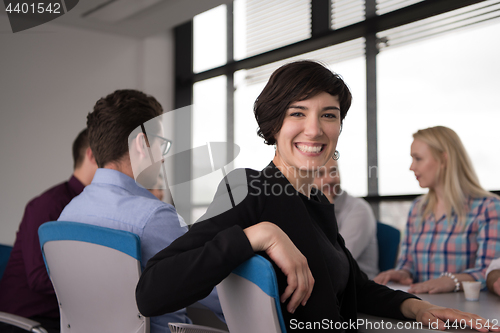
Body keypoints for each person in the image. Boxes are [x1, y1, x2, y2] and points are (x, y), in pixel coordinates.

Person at [136, 61, 496, 332]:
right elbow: (153, 291)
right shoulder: (249, 189)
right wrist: (258, 235)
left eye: (329, 115)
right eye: (298, 113)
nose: (315, 128)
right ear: (274, 124)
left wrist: (418, 309)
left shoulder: (317, 201)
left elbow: (357, 287)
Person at [57, 90, 223, 333]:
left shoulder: (67, 215)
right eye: (161, 145)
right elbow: (221, 295)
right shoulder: (154, 217)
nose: (163, 159)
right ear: (142, 144)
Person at [374, 126, 500, 295]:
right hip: (421, 308)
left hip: (467, 312)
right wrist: (400, 273)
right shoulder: (418, 208)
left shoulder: (488, 207)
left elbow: (490, 272)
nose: (411, 167)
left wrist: (451, 281)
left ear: (444, 159)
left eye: (418, 158)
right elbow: (408, 264)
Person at [0, 128, 98, 333]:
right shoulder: (49, 205)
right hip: (27, 322)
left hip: (63, 321)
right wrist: (98, 286)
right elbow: (38, 277)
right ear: (91, 154)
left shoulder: (91, 208)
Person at [313, 157, 378, 279]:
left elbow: (335, 262)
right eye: (320, 173)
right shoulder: (306, 208)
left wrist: (325, 213)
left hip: (356, 290)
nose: (330, 179)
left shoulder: (359, 210)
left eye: (334, 171)